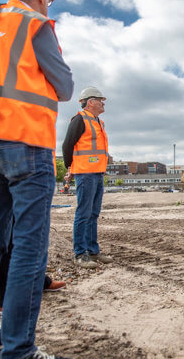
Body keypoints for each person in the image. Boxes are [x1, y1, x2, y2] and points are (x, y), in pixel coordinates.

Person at [0, 0, 74, 358]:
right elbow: (64, 86)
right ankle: (19, 350)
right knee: (29, 248)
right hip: (28, 145)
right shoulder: (34, 23)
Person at [62, 86, 112, 269]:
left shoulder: (99, 122)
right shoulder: (80, 120)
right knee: (83, 214)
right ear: (90, 102)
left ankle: (92, 250)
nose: (103, 103)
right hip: (85, 173)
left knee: (93, 213)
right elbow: (67, 145)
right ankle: (80, 253)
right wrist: (70, 167)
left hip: (97, 173)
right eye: (100, 100)